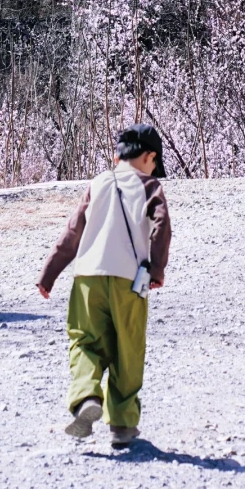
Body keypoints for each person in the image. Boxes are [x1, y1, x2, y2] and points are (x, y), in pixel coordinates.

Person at [37, 122, 171, 447]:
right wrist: (155, 269)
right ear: (148, 156)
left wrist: (49, 274)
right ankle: (123, 426)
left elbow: (72, 233)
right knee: (128, 349)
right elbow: (161, 225)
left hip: (87, 278)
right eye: (155, 163)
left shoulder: (97, 184)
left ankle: (86, 398)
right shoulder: (150, 186)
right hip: (129, 280)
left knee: (85, 341)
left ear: (118, 155)